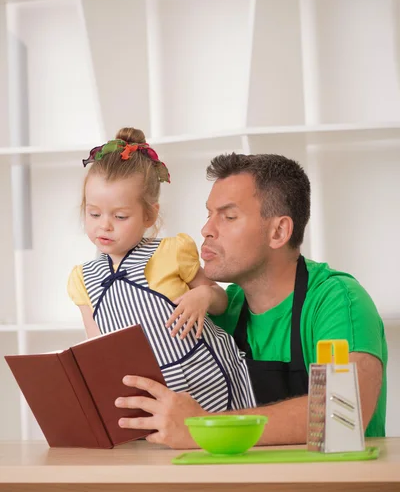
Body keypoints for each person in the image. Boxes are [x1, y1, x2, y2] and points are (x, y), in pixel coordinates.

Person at [115, 152, 387, 448]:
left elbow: (343, 411)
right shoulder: (216, 310)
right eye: (209, 214)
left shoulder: (336, 301)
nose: (207, 229)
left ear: (279, 231)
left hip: (329, 491)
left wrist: (204, 428)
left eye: (229, 217)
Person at [67, 128, 256, 412]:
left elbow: (220, 301)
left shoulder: (171, 252)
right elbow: (97, 349)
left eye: (120, 216)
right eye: (94, 213)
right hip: (148, 393)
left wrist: (203, 296)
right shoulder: (83, 279)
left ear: (149, 215)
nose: (104, 225)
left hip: (205, 378)